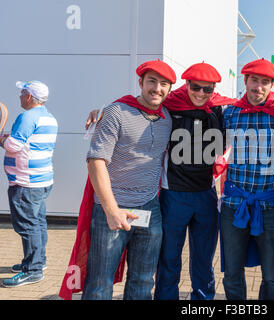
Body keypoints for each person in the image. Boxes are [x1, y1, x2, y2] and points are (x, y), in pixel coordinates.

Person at [72, 60, 175, 300]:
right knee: (99, 284)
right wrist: (111, 210)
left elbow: (204, 97)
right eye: (152, 81)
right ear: (140, 82)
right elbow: (96, 161)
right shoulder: (116, 112)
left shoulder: (168, 117)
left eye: (164, 84)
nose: (157, 89)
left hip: (150, 209)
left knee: (142, 281)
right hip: (113, 208)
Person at [219, 58, 274, 300]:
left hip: (270, 207)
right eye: (254, 80)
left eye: (265, 82)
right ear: (245, 81)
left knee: (272, 273)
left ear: (272, 85)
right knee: (232, 272)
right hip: (234, 204)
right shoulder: (230, 113)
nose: (259, 87)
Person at [154, 62, 235, 300]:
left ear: (213, 89)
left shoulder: (219, 109)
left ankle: (202, 300)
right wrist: (104, 110)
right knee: (168, 257)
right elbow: (137, 109)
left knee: (203, 258)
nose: (201, 94)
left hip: (205, 194)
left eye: (207, 89)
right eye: (196, 87)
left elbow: (254, 110)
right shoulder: (169, 105)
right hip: (174, 194)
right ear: (186, 84)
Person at [1, 80, 58, 287]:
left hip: (26, 182)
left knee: (28, 225)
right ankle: (36, 262)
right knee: (38, 222)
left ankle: (32, 270)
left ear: (29, 97)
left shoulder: (27, 116)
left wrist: (2, 140)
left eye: (22, 93)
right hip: (41, 180)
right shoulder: (49, 117)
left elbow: (14, 145)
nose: (19, 96)